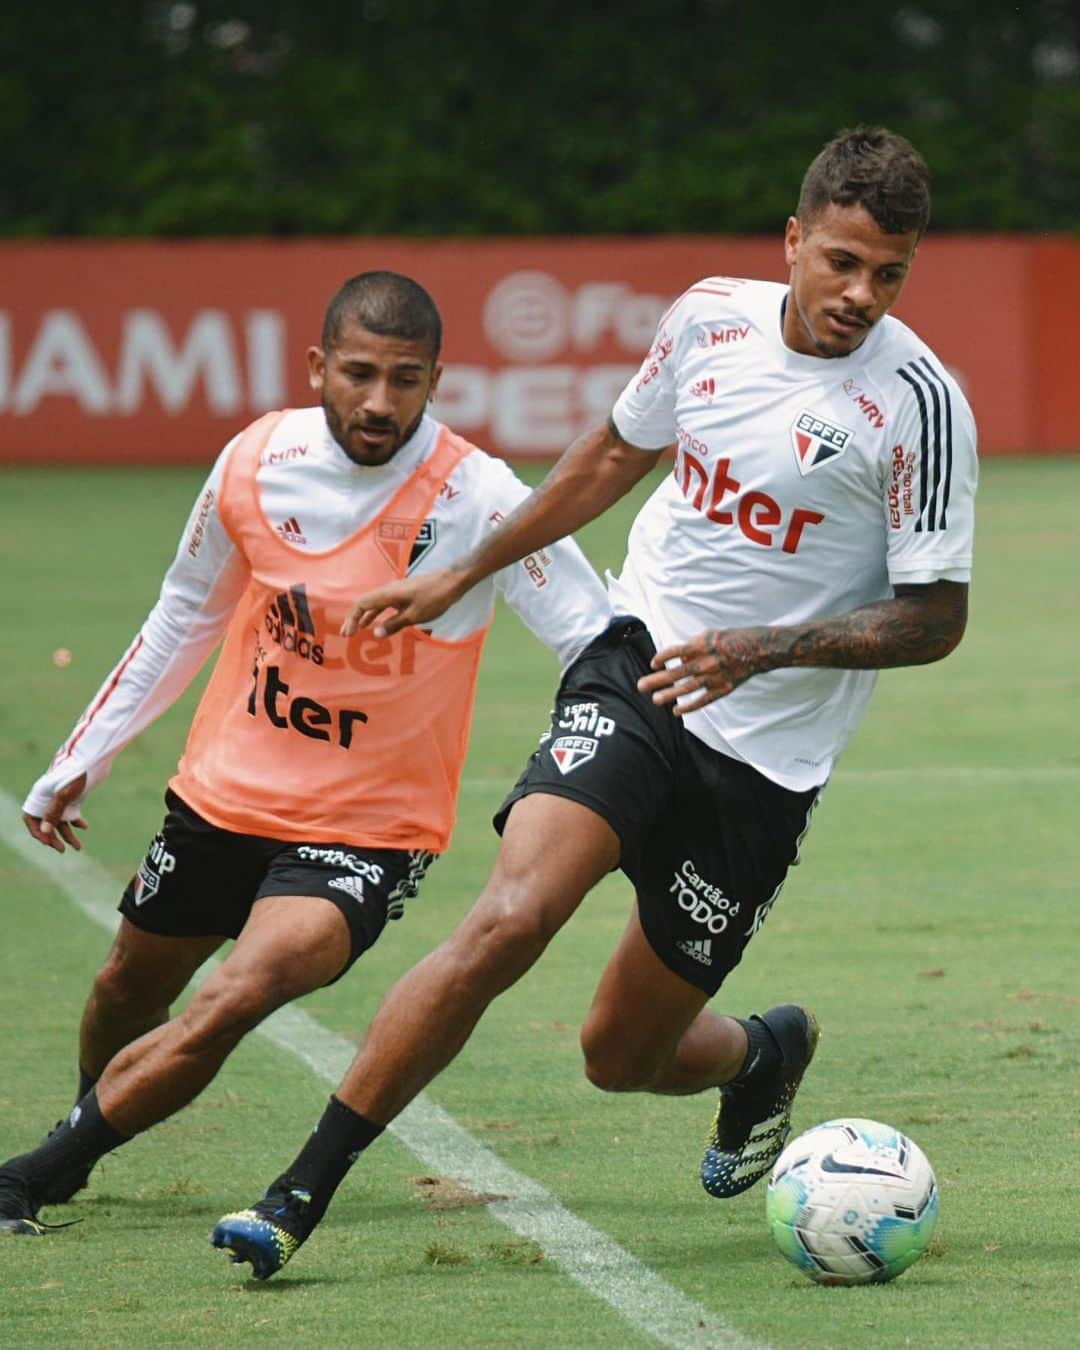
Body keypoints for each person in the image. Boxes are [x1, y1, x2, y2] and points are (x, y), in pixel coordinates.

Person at [204, 127, 978, 1282]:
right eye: (842, 263)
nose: (861, 295)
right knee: (510, 916)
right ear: (792, 241)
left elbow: (935, 618)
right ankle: (298, 1191)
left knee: (619, 1054)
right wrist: (468, 566)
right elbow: (612, 456)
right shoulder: (710, 318)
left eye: (889, 274)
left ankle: (758, 1057)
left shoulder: (919, 403)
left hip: (765, 765)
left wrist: (764, 650)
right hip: (643, 672)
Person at [0, 271, 613, 1238]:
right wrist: (84, 755)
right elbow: (182, 616)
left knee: (235, 993)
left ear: (436, 380)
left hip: (367, 831)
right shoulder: (255, 460)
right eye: (360, 374)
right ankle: (93, 1120)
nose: (380, 402)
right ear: (319, 366)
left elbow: (595, 636)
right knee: (129, 983)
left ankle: (32, 1173)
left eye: (405, 380)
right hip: (224, 792)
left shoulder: (479, 495)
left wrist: (596, 763)